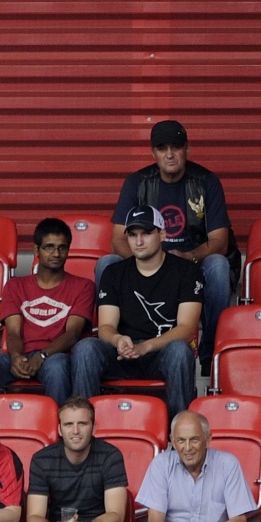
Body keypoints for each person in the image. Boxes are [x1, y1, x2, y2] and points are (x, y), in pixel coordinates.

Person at [98, 120, 234, 367]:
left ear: (187, 149)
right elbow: (118, 238)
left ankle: (209, 356)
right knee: (107, 262)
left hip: (190, 263)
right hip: (149, 260)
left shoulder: (206, 181)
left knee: (218, 265)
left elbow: (220, 241)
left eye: (176, 147)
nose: (169, 154)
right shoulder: (138, 182)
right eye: (162, 148)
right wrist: (147, 262)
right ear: (153, 153)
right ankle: (110, 347)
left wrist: (189, 257)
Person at [73, 206, 202, 414]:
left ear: (162, 234)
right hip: (122, 355)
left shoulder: (186, 271)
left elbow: (187, 329)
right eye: (133, 235)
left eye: (146, 234)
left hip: (161, 353)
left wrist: (146, 347)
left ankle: (180, 434)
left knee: (180, 351)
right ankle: (83, 425)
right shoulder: (114, 273)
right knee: (85, 348)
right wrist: (117, 340)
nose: (138, 241)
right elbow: (105, 326)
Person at [0, 218, 94, 407]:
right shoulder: (15, 286)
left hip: (57, 356)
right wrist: (16, 357)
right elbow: (13, 332)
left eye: (62, 248)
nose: (56, 253)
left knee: (57, 367)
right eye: (49, 247)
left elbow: (72, 334)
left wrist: (41, 357)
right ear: (36, 250)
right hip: (22, 354)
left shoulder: (83, 286)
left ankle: (57, 432)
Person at [11, 397, 132, 522]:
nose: (75, 431)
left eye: (82, 424)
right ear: (59, 429)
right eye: (68, 424)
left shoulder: (110, 455)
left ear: (93, 428)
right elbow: (33, 517)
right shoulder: (43, 459)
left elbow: (117, 516)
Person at [131, 411, 257, 522]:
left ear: (208, 439)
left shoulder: (228, 464)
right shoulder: (161, 465)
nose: (188, 447)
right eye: (181, 440)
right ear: (173, 442)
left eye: (194, 439)